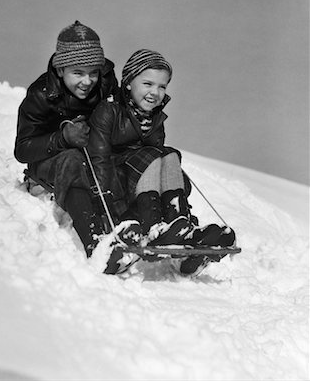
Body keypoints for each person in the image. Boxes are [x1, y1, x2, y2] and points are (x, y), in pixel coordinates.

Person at [87, 49, 236, 275]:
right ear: (127, 83)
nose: (155, 92)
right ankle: (154, 226)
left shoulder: (155, 118)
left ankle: (180, 223)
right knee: (154, 156)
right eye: (147, 84)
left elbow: (161, 162)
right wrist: (103, 200)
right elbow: (98, 159)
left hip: (142, 181)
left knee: (169, 154)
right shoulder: (108, 111)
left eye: (162, 86)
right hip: (116, 182)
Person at [14, 20, 121, 262]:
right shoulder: (40, 95)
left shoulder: (106, 84)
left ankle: (141, 228)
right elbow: (23, 149)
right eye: (78, 73)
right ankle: (96, 243)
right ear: (61, 70)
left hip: (93, 156)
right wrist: (62, 138)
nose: (87, 81)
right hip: (50, 162)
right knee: (72, 160)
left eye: (93, 72)